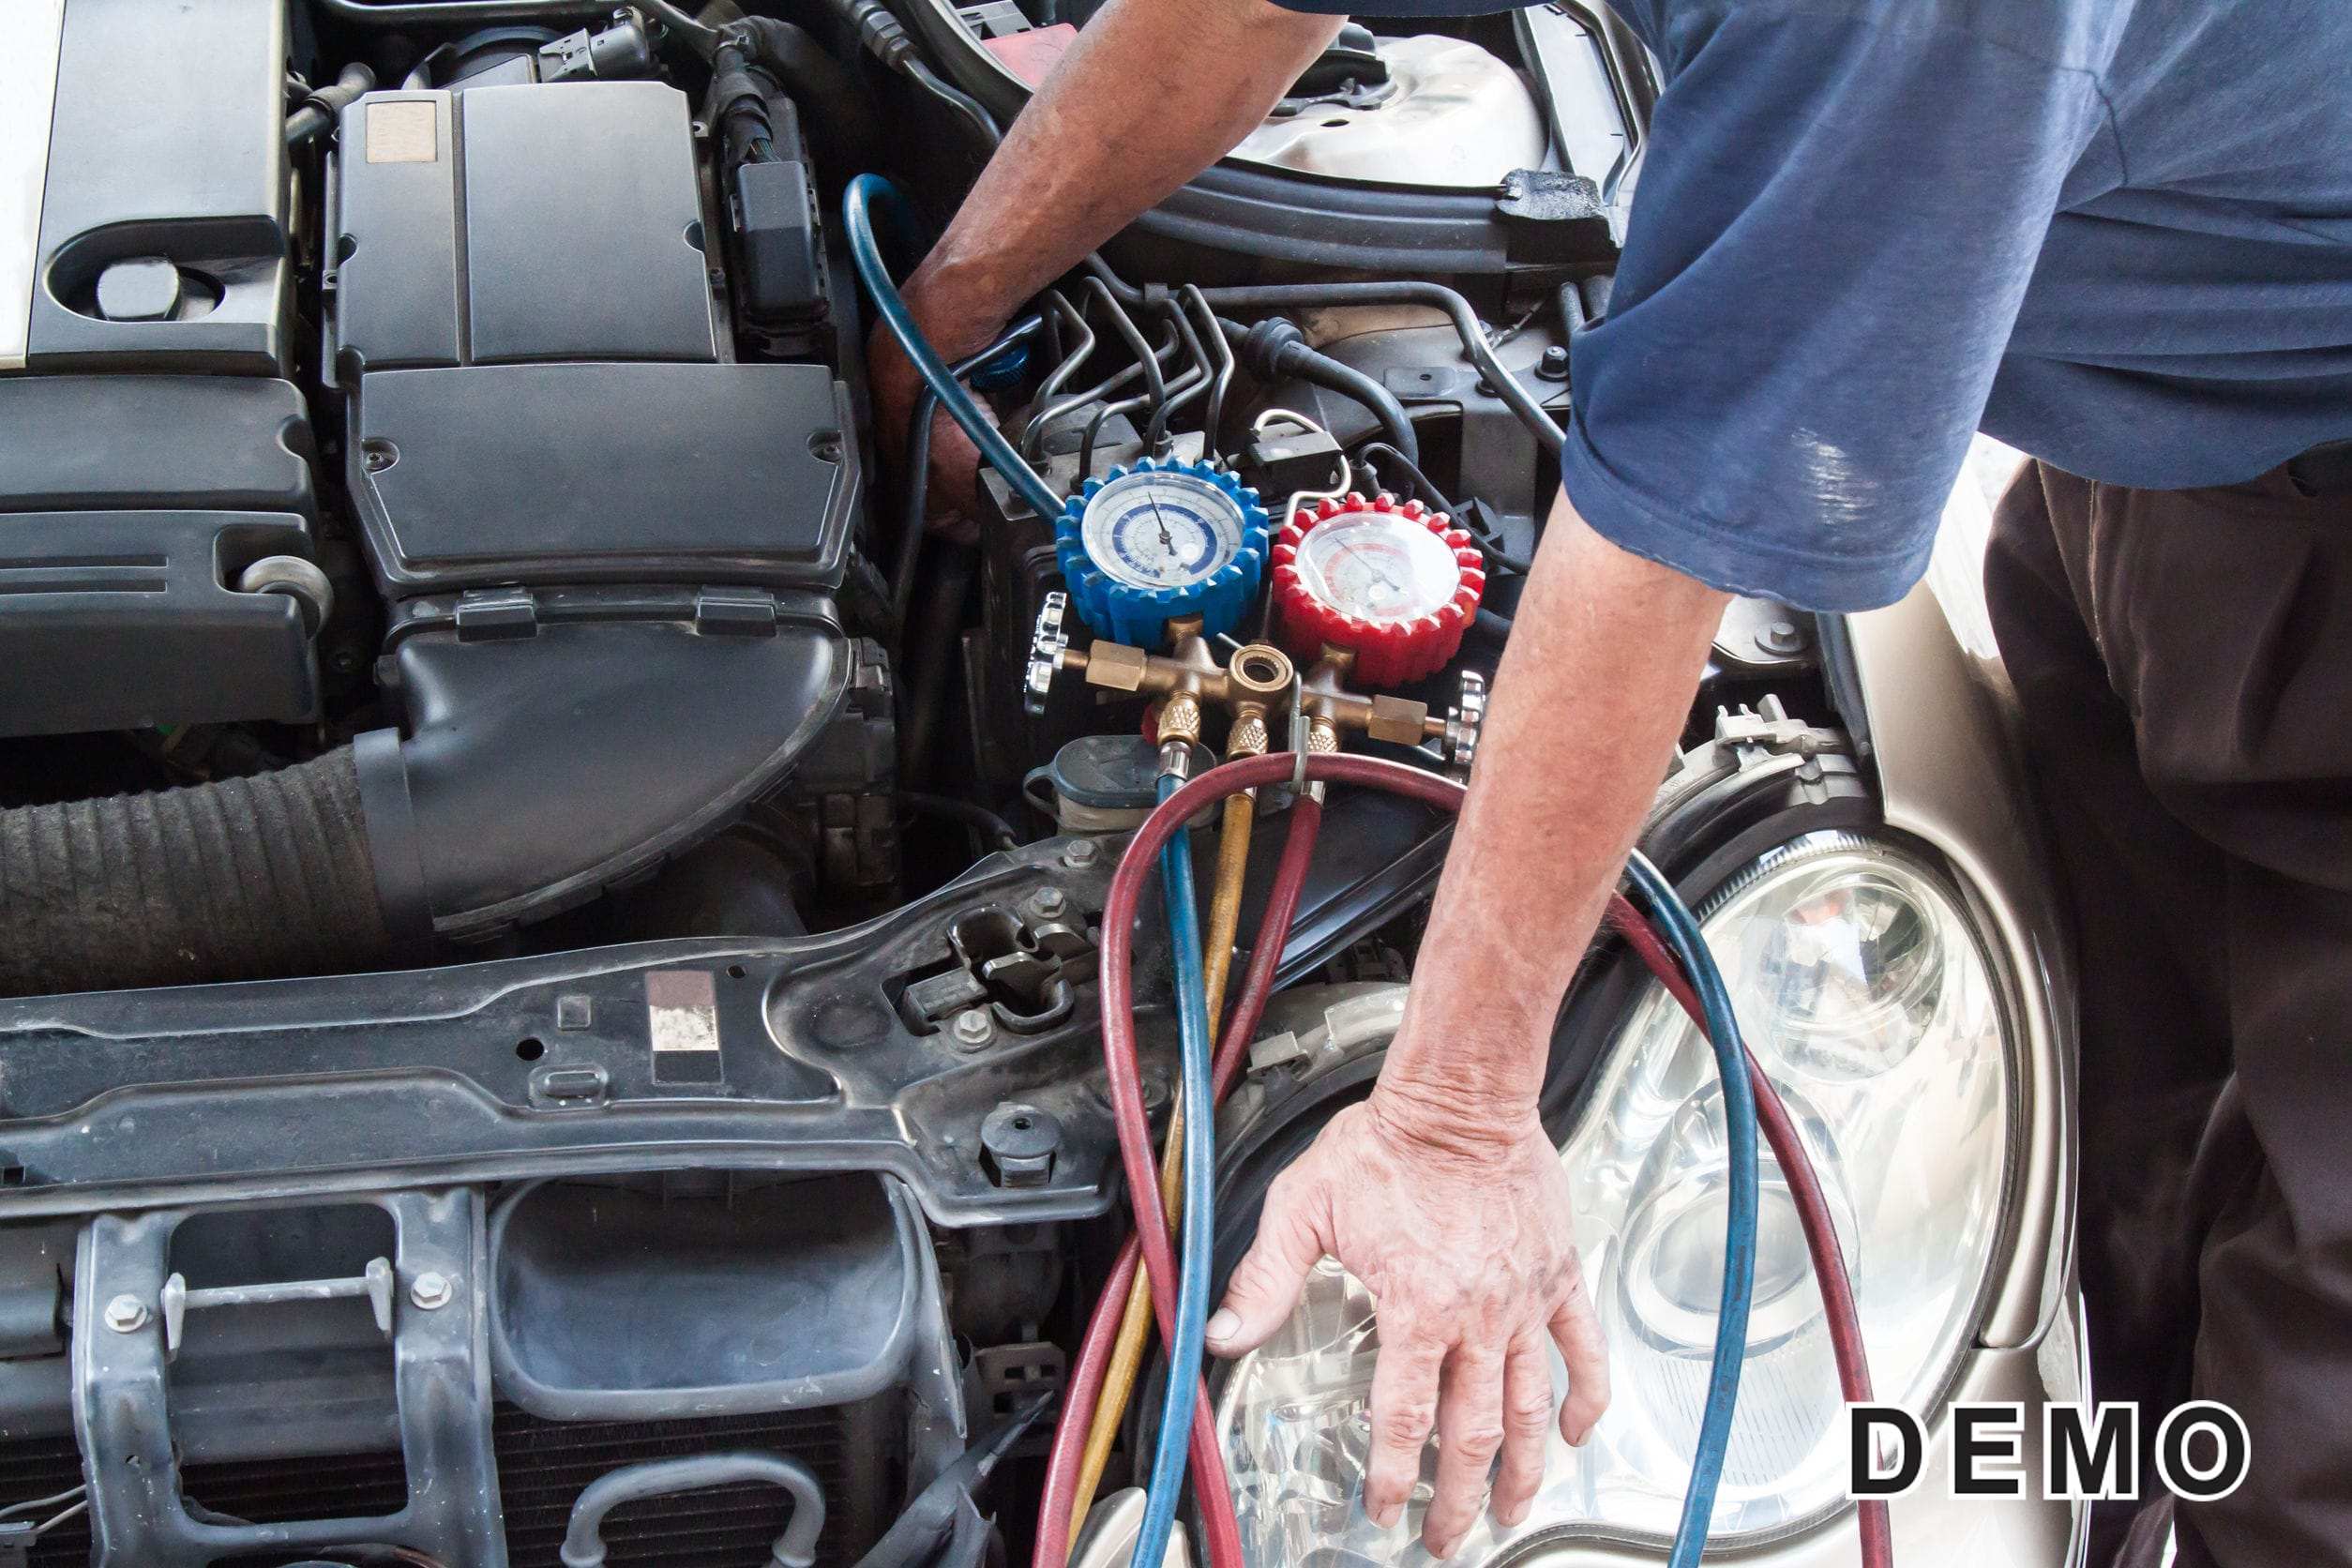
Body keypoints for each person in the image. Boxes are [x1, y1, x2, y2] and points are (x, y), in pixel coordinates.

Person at [870, 1, 2352, 1560]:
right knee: (2127, 1157)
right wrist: (945, 319)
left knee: (2320, 1376)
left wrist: (1452, 1123)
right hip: (2179, 425)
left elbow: (1671, 535)